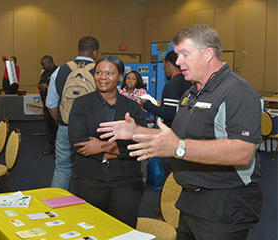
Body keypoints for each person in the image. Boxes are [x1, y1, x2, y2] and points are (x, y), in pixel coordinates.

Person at [97, 24, 263, 240]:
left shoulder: (237, 91)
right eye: (177, 55)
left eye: (185, 54)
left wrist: (179, 148)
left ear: (208, 54)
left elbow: (243, 152)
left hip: (224, 204)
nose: (178, 62)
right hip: (190, 201)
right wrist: (137, 131)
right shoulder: (192, 92)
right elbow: (174, 139)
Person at [68, 55, 146, 228]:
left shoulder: (132, 108)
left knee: (123, 231)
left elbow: (141, 145)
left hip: (127, 181)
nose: (102, 77)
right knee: (90, 230)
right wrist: (119, 150)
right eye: (98, 73)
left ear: (120, 77)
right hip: (89, 179)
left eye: (109, 73)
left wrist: (100, 147)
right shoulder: (81, 104)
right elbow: (78, 142)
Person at [46, 36, 99, 190]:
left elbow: (51, 104)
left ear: (78, 50)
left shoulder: (59, 70)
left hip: (65, 127)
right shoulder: (102, 72)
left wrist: (62, 122)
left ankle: (56, 206)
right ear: (95, 53)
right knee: (91, 171)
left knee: (62, 169)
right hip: (92, 131)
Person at [141, 50, 192, 177]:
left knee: (171, 176)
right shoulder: (188, 82)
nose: (164, 69)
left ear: (168, 63)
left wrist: (146, 104)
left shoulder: (171, 85)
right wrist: (160, 104)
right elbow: (177, 107)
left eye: (164, 65)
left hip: (171, 134)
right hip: (185, 133)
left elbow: (169, 114)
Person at [38, 55, 58, 155]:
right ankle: (51, 148)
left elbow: (60, 87)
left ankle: (58, 150)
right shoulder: (44, 73)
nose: (42, 67)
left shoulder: (58, 72)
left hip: (55, 105)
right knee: (49, 126)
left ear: (50, 62)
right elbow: (40, 83)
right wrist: (41, 86)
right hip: (46, 102)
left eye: (44, 64)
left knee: (56, 127)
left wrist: (48, 87)